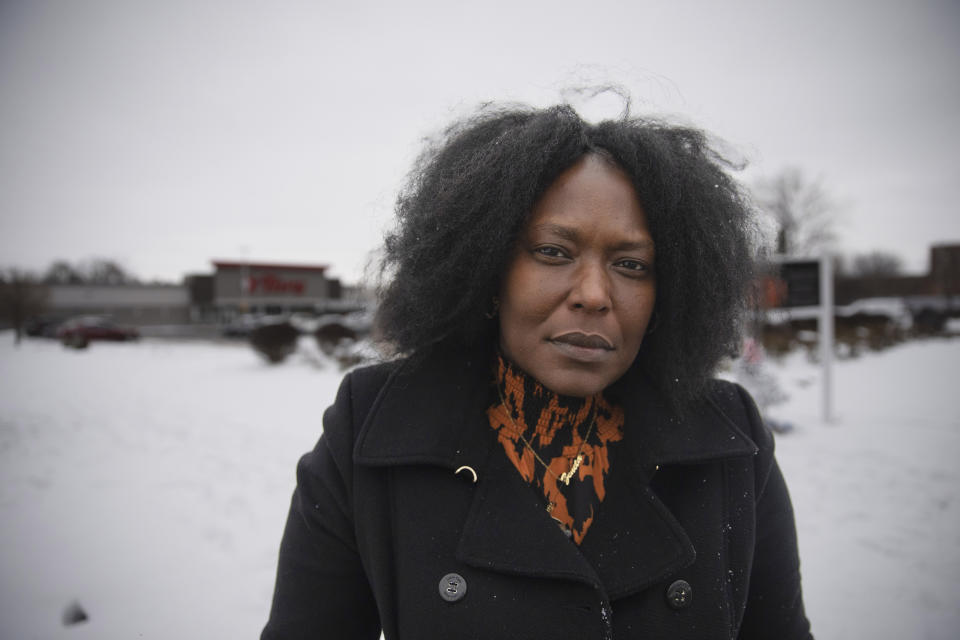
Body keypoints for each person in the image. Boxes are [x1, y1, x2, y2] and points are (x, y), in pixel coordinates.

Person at [261, 102, 813, 639]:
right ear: (486, 267)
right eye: (553, 252)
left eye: (631, 265)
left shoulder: (730, 439)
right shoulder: (371, 429)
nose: (595, 295)